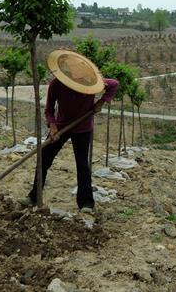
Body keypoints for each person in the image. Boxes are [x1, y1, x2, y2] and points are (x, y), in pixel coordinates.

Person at [24, 50, 119, 212]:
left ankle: (86, 203)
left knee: (82, 164)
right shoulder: (56, 84)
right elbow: (48, 109)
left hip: (83, 128)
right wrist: (53, 126)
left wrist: (102, 102)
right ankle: (34, 196)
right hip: (61, 126)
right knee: (44, 159)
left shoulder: (90, 82)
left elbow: (114, 84)